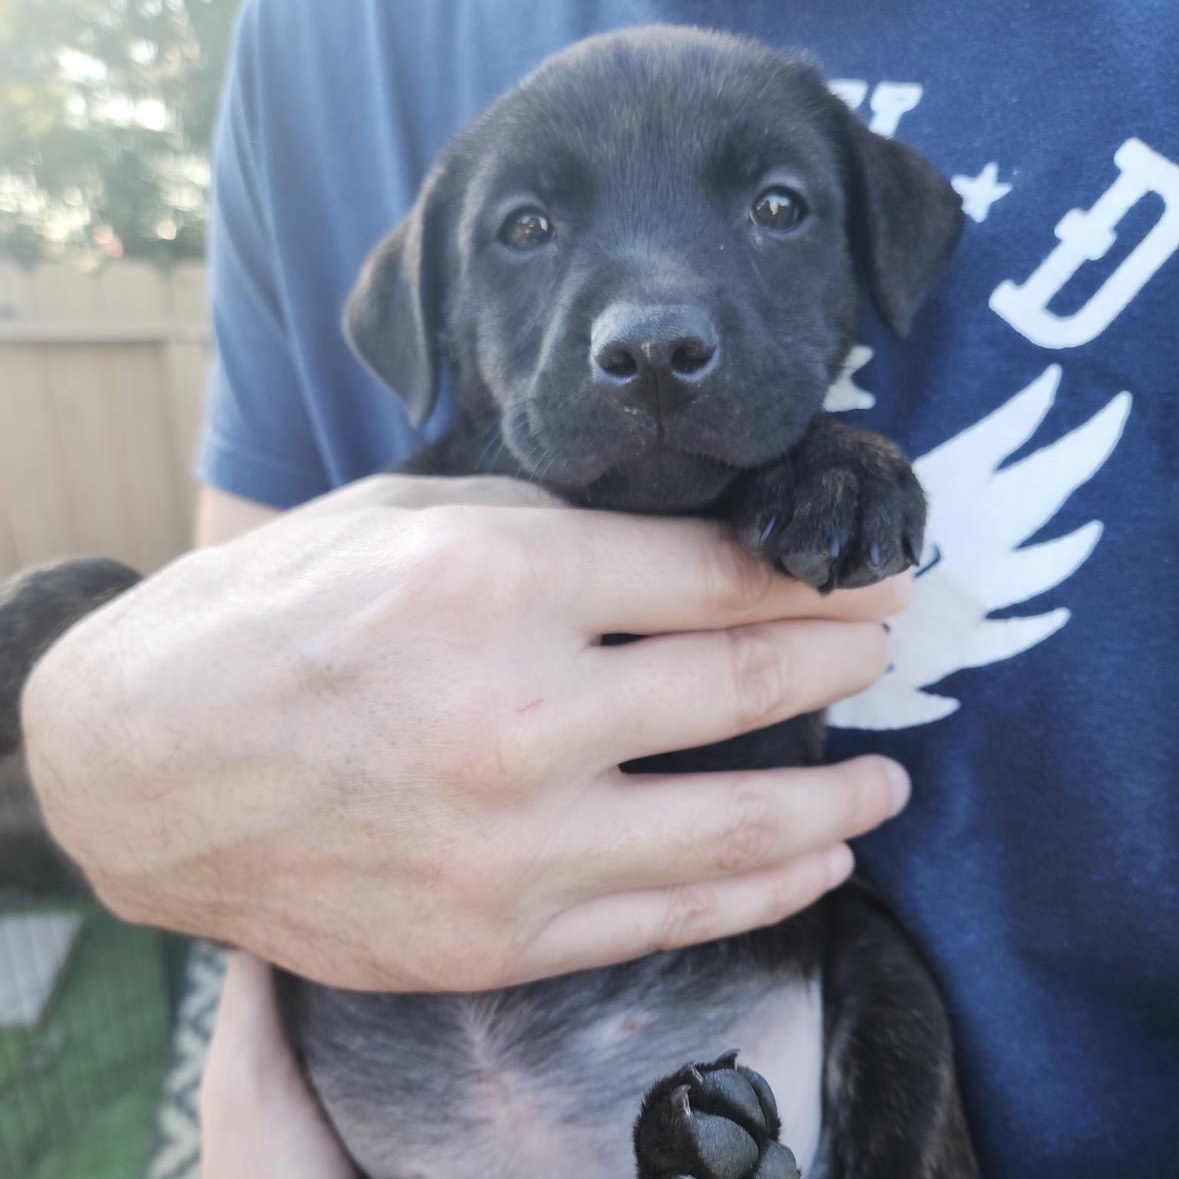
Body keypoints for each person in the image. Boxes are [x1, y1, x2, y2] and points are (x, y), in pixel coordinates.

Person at [20, 1, 1178, 1176]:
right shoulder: (326, 36)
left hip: (759, 1077)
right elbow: (238, 671)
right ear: (435, 312)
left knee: (873, 956)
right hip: (379, 1122)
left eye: (777, 208)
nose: (650, 324)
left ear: (872, 240)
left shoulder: (813, 483)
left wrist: (826, 466)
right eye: (526, 229)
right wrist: (98, 682)